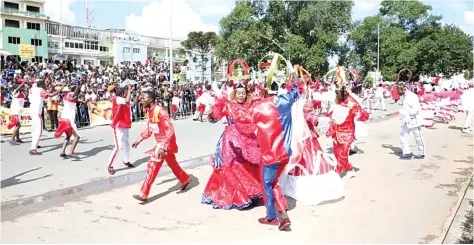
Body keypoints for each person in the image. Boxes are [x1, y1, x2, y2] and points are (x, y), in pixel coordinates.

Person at [248, 80, 304, 231]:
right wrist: (293, 81)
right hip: (285, 153)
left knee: (268, 184)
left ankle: (273, 217)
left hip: (270, 155)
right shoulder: (286, 100)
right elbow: (298, 90)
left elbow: (247, 121)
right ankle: (282, 215)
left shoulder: (258, 107)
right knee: (274, 183)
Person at [201, 80, 262, 210]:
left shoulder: (250, 105)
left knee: (249, 167)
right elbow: (215, 117)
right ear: (234, 94)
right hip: (231, 141)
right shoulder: (229, 105)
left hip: (249, 139)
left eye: (243, 93)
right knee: (234, 167)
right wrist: (214, 108)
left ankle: (251, 195)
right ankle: (240, 197)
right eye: (238, 93)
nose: (241, 96)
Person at [131, 91, 191, 202]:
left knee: (152, 166)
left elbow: (170, 130)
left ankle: (143, 194)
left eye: (143, 98)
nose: (141, 100)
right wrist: (138, 139)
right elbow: (150, 130)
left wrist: (163, 146)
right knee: (172, 163)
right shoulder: (151, 112)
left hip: (165, 143)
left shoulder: (160, 111)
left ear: (150, 99)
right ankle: (185, 179)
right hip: (161, 143)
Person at [326, 65, 369, 179]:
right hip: (337, 131)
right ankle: (350, 170)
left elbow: (364, 114)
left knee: (343, 153)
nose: (337, 95)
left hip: (347, 132)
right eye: (336, 93)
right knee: (336, 152)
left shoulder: (351, 101)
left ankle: (337, 173)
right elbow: (333, 111)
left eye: (338, 93)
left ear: (344, 92)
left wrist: (356, 114)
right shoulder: (337, 99)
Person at [28, 80, 63, 155]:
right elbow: (50, 95)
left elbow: (44, 92)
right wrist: (60, 90)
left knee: (34, 129)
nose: (45, 86)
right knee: (38, 130)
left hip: (31, 110)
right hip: (37, 111)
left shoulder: (32, 89)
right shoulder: (41, 90)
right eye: (44, 84)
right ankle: (33, 148)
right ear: (42, 85)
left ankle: (34, 144)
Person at [107, 83, 134, 175]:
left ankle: (126, 161)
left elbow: (132, 103)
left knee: (127, 143)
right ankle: (109, 165)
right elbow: (127, 100)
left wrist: (139, 95)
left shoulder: (122, 99)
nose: (127, 92)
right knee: (118, 146)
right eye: (126, 91)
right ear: (122, 92)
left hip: (125, 125)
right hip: (118, 126)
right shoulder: (117, 99)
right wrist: (130, 89)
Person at [397, 81, 426, 159]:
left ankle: (421, 153)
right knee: (403, 135)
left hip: (414, 120)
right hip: (406, 120)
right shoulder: (404, 96)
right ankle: (407, 153)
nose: (397, 91)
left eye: (399, 89)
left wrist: (406, 113)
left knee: (418, 136)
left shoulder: (412, 96)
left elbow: (416, 109)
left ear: (403, 88)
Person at [54, 81, 81, 158]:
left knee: (68, 136)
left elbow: (65, 103)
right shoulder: (71, 95)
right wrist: (78, 87)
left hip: (63, 119)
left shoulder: (66, 95)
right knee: (77, 137)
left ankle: (62, 152)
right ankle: (71, 152)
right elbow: (74, 94)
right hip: (68, 120)